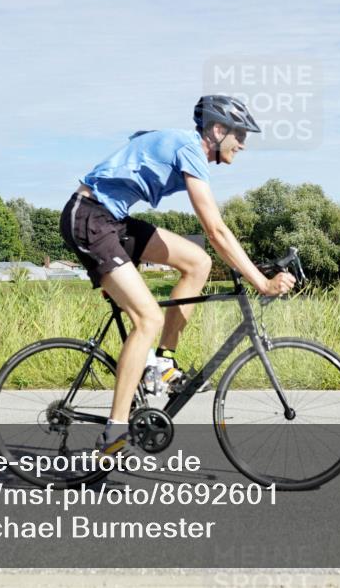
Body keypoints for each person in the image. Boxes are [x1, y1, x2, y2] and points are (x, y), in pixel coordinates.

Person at [60, 95, 296, 453]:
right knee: (148, 319)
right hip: (89, 217)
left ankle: (162, 364)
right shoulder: (190, 148)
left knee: (198, 262)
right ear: (217, 130)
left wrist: (253, 267)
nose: (244, 145)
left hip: (113, 220)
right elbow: (216, 230)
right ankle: (115, 432)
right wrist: (260, 282)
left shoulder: (183, 145)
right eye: (240, 135)